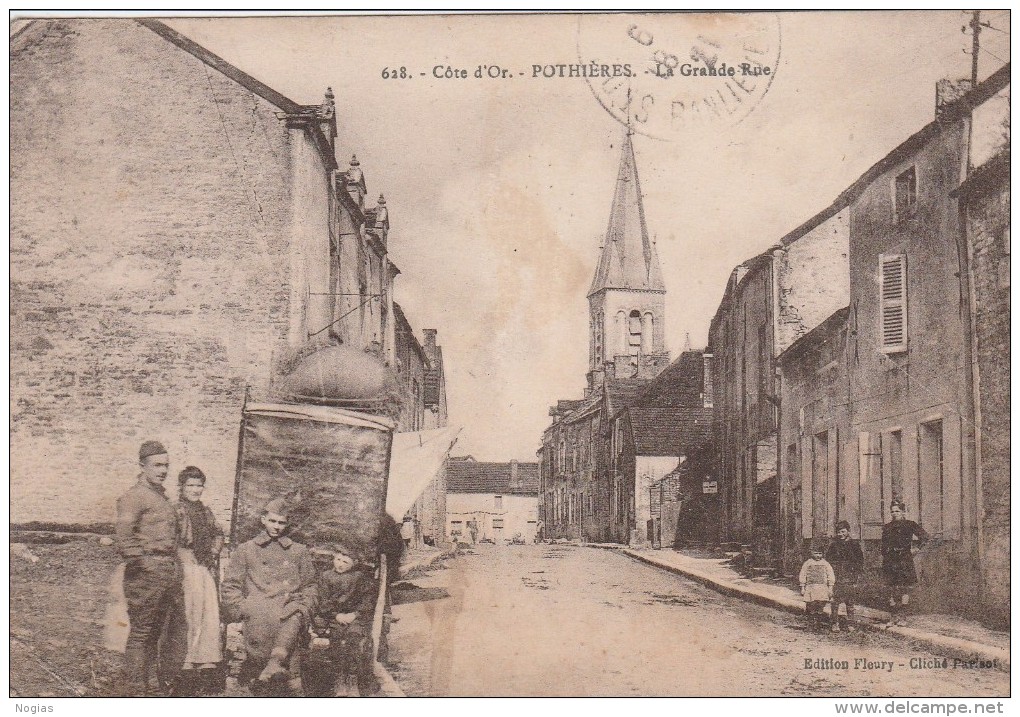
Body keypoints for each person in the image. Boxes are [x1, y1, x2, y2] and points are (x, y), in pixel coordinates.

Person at [221, 498, 318, 692]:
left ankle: (278, 669)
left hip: (289, 608)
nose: (277, 527)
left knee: (291, 618)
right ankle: (270, 670)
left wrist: (305, 607)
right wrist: (243, 607)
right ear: (263, 520)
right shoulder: (246, 549)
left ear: (287, 524)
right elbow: (231, 584)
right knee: (267, 621)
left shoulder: (299, 551)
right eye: (272, 521)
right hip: (258, 609)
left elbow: (310, 585)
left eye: (281, 523)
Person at [115, 440, 182, 696]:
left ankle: (151, 686)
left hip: (166, 572)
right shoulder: (133, 497)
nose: (163, 470)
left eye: (166, 465)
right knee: (142, 632)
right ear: (142, 466)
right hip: (146, 574)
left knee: (156, 631)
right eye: (157, 465)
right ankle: (135, 690)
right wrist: (145, 566)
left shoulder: (160, 496)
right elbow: (124, 538)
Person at [173, 466, 224, 695]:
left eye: (199, 485)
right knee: (188, 616)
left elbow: (218, 533)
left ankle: (206, 663)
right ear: (182, 487)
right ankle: (185, 664)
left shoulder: (205, 512)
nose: (195, 490)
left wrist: (213, 552)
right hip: (185, 569)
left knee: (208, 616)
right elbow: (171, 539)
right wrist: (182, 556)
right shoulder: (176, 510)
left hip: (204, 570)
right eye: (191, 485)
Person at [306, 544, 380, 696]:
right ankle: (339, 678)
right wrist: (335, 615)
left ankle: (352, 679)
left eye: (345, 562)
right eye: (338, 559)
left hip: (355, 618)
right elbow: (323, 601)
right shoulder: (326, 576)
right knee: (337, 642)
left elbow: (367, 600)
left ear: (354, 564)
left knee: (354, 640)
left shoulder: (360, 578)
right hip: (333, 618)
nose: (340, 564)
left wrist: (355, 614)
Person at [881, 499, 929, 627]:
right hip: (890, 561)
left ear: (903, 512)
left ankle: (903, 617)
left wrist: (916, 548)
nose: (894, 513)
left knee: (904, 589)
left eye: (897, 511)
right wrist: (886, 555)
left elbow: (925, 537)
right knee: (891, 589)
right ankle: (893, 617)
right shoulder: (887, 527)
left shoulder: (910, 524)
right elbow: (883, 546)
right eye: (892, 511)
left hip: (904, 560)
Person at [826, 520, 864, 633]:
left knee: (850, 602)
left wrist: (857, 576)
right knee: (835, 602)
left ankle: (850, 624)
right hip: (837, 576)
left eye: (843, 531)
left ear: (848, 531)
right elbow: (829, 561)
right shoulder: (834, 545)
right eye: (838, 532)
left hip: (850, 576)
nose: (840, 534)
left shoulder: (854, 545)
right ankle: (835, 623)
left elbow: (860, 561)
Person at [799, 542, 836, 632]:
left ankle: (818, 625)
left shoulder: (826, 564)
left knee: (820, 607)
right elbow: (803, 575)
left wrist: (830, 587)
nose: (818, 555)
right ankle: (810, 624)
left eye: (820, 553)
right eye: (816, 553)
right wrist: (802, 587)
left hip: (822, 588)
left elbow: (830, 575)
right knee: (811, 607)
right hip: (811, 588)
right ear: (811, 553)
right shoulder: (808, 563)